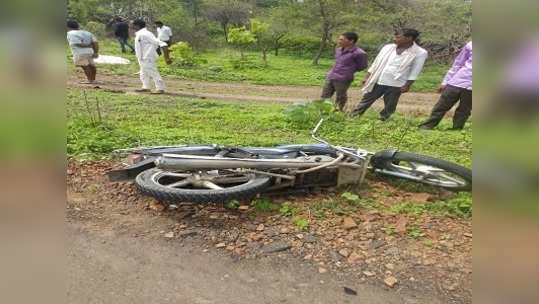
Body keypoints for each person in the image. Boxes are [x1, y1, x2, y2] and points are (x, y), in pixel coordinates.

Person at [351, 28, 428, 121]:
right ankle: (354, 116)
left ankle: (383, 119)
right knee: (367, 99)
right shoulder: (388, 47)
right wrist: (367, 76)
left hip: (397, 83)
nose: (395, 39)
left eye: (398, 37)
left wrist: (407, 85)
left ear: (409, 38)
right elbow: (376, 62)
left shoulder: (420, 52)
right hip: (379, 78)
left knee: (390, 104)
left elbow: (416, 70)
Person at [419, 41, 472, 130]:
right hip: (457, 81)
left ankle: (457, 129)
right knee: (441, 106)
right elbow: (458, 63)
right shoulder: (471, 45)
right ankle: (427, 126)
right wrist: (445, 81)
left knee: (464, 110)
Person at [321, 32, 368, 111]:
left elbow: (362, 66)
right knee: (325, 95)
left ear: (351, 41)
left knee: (340, 96)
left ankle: (339, 110)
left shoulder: (359, 53)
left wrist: (349, 70)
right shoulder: (338, 50)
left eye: (342, 39)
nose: (339, 41)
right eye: (339, 39)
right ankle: (325, 110)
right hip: (331, 75)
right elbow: (337, 61)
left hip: (343, 78)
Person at [132, 19, 171, 94]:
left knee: (153, 72)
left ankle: (160, 88)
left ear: (137, 25)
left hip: (148, 57)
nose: (131, 26)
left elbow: (161, 43)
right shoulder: (140, 34)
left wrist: (167, 57)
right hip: (142, 57)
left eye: (133, 24)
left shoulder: (146, 34)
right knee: (143, 73)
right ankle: (146, 87)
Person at [66, 20, 99, 85]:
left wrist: (87, 45)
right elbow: (95, 43)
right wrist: (95, 52)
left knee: (85, 66)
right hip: (90, 51)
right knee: (92, 66)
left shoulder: (70, 33)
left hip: (79, 52)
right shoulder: (87, 32)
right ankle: (93, 79)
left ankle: (90, 80)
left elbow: (76, 43)